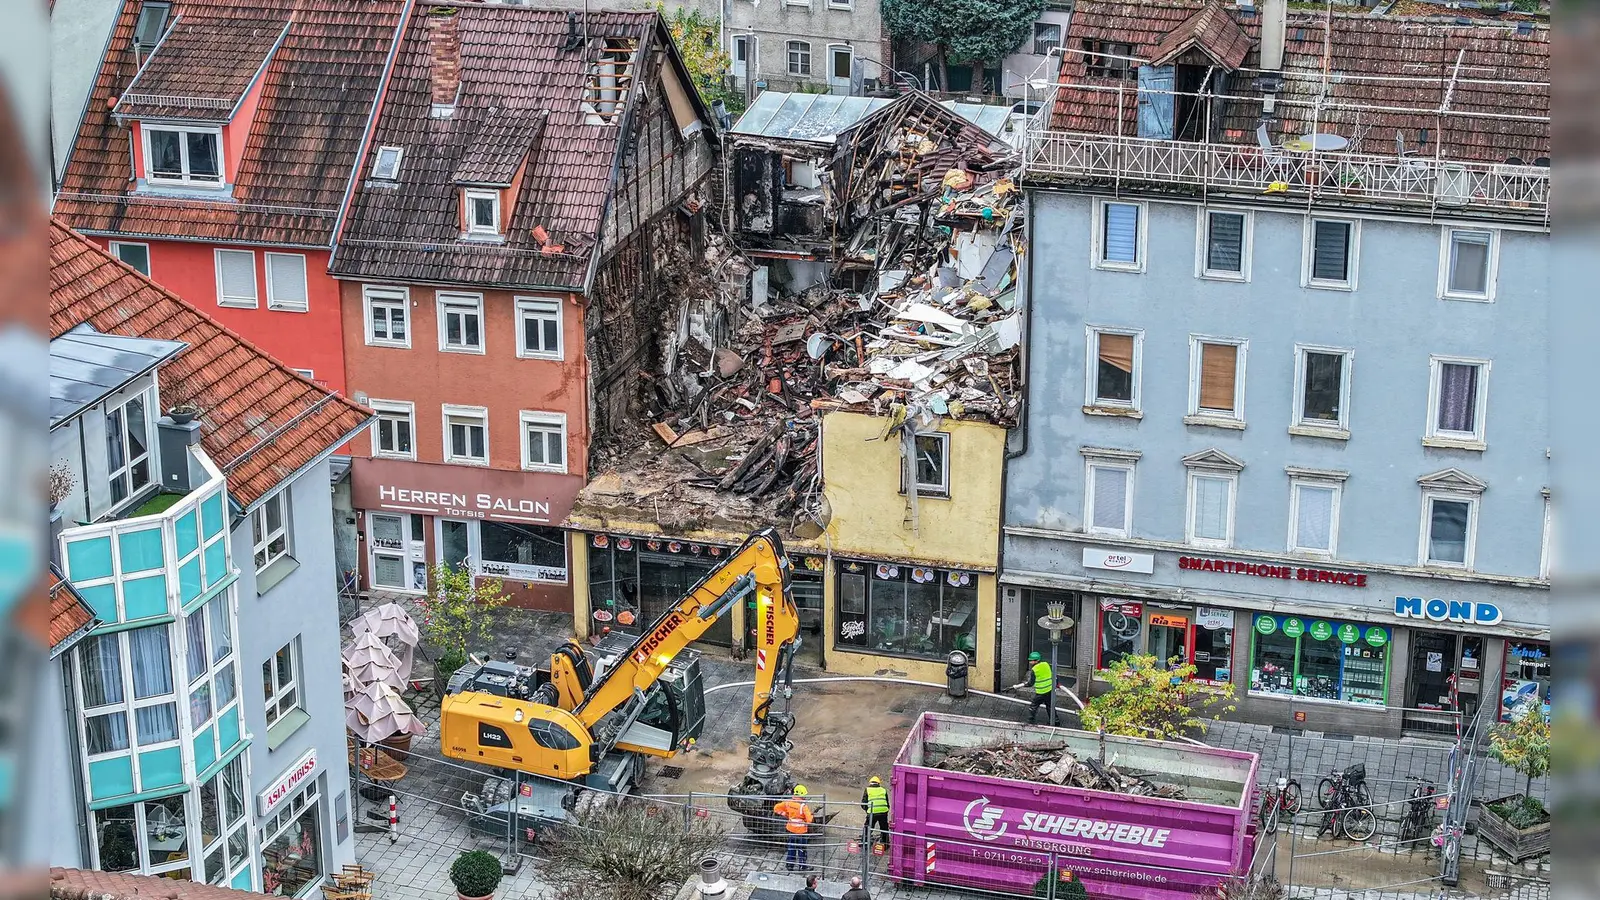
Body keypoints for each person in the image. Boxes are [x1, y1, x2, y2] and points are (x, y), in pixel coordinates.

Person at [773, 785, 814, 871]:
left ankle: (789, 865)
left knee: (791, 847)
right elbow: (809, 820)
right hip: (801, 832)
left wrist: (786, 814)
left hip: (791, 830)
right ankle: (802, 866)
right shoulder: (803, 806)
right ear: (802, 795)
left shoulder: (788, 803)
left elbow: (776, 808)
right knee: (801, 849)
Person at [1012, 651, 1057, 725]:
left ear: (1036, 660)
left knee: (1033, 706)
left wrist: (1020, 686)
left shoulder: (1034, 670)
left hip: (1041, 692)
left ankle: (1030, 721)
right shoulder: (1046, 664)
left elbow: (1030, 683)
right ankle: (1056, 721)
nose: (1030, 662)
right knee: (1050, 707)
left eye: (1031, 660)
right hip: (1049, 690)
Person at [860, 775, 891, 851]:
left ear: (870, 783)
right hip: (883, 812)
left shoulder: (867, 790)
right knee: (884, 828)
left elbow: (863, 803)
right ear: (878, 783)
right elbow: (887, 803)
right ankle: (886, 844)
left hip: (872, 812)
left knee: (868, 827)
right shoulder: (883, 790)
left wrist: (868, 811)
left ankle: (864, 842)